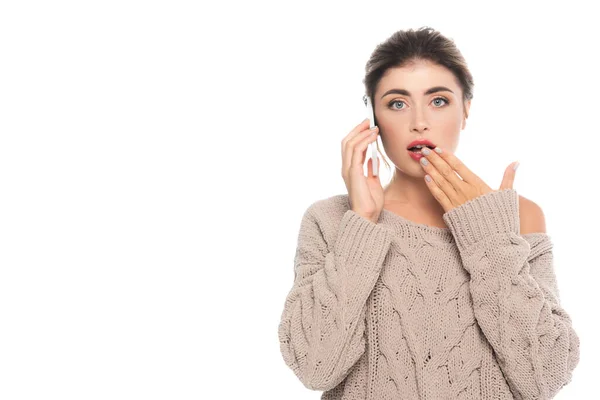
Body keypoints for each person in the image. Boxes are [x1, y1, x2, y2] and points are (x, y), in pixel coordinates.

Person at [277, 26, 580, 399]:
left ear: (466, 109)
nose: (418, 121)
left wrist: (487, 235)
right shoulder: (333, 220)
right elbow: (315, 367)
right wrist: (362, 223)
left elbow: (545, 375)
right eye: (397, 103)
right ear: (373, 119)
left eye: (438, 101)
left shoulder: (518, 217)